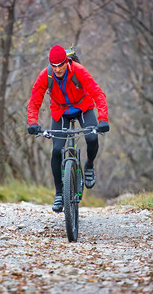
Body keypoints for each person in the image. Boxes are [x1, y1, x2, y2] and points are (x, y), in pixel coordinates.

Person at [27, 45, 109, 213]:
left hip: (83, 107)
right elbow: (35, 100)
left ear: (67, 62)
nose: (57, 69)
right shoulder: (46, 75)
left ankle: (90, 165)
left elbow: (98, 94)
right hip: (60, 111)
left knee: (92, 137)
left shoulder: (78, 70)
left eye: (61, 65)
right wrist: (33, 123)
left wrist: (103, 119)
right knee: (57, 150)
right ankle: (59, 194)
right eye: (54, 65)